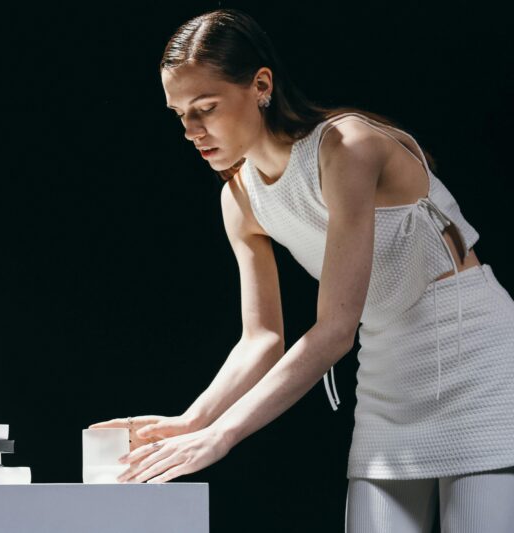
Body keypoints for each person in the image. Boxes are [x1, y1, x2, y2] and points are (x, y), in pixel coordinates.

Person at [88, 8, 514, 532]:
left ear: (261, 85)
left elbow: (335, 329)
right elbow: (261, 338)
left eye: (206, 108)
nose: (191, 130)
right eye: (179, 114)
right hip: (387, 372)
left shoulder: (347, 146)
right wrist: (194, 420)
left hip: (476, 359)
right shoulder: (239, 197)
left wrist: (224, 435)